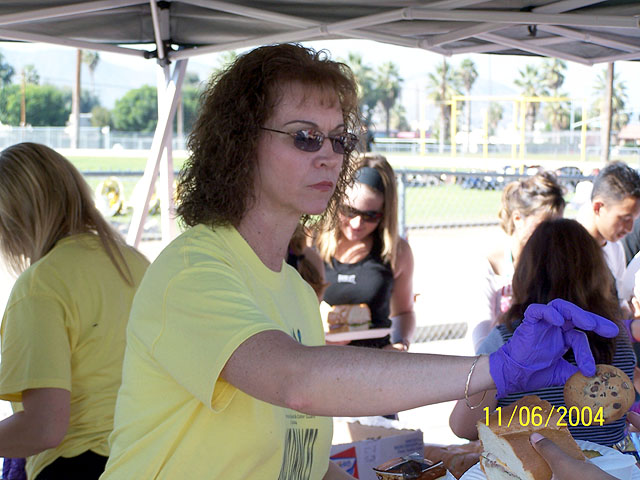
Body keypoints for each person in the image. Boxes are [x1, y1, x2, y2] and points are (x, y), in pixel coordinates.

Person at [99, 43, 619, 480]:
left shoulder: (294, 289)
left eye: (339, 139)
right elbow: (297, 382)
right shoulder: (193, 270)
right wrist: (493, 368)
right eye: (305, 136)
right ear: (239, 143)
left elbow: (301, 461)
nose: (330, 155)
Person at [0, 143, 149, 479]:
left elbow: (43, 428)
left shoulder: (39, 286)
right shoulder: (134, 264)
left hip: (78, 465)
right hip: (147, 459)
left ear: (13, 221)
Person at [450, 218, 635, 447]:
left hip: (530, 463)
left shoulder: (505, 341)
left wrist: (497, 368)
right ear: (599, 273)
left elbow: (463, 428)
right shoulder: (618, 337)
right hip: (610, 463)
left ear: (524, 274)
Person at [316, 153, 415, 351]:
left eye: (371, 215)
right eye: (349, 211)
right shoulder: (311, 243)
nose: (357, 224)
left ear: (385, 213)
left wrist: (401, 344)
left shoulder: (396, 251)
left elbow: (404, 312)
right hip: (320, 358)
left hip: (375, 360)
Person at [472, 171, 565, 351]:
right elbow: (481, 339)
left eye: (558, 226)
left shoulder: (558, 266)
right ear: (517, 219)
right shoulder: (491, 266)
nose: (552, 235)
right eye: (544, 225)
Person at [577, 161, 640, 306]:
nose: (630, 228)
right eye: (625, 219)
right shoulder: (567, 250)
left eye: (634, 220)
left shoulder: (615, 248)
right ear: (598, 207)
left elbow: (619, 302)